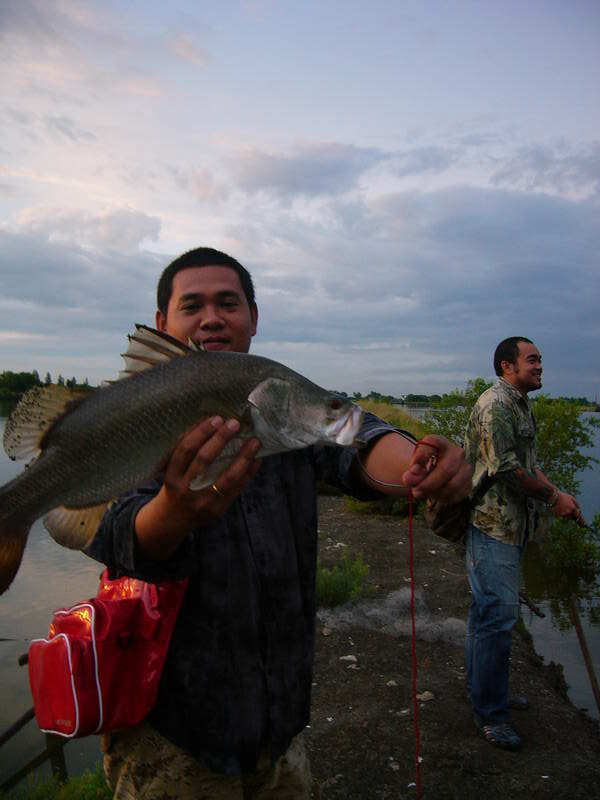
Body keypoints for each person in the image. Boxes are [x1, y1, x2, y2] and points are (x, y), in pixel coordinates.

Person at [88, 246, 472, 799]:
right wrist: (174, 511)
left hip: (280, 727)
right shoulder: (132, 411)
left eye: (229, 302)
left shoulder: (284, 405)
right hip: (170, 737)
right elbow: (113, 534)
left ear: (254, 317)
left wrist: (418, 464)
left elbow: (357, 438)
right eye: (191, 305)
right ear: (161, 324)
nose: (212, 316)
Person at [464, 336, 583, 751]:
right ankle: (491, 716)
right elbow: (508, 471)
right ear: (506, 366)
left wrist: (559, 496)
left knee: (486, 618)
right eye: (531, 360)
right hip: (492, 528)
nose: (539, 366)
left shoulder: (518, 402)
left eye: (540, 360)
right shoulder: (496, 405)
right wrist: (552, 498)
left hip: (512, 528)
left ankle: (484, 694)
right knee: (496, 621)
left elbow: (530, 464)